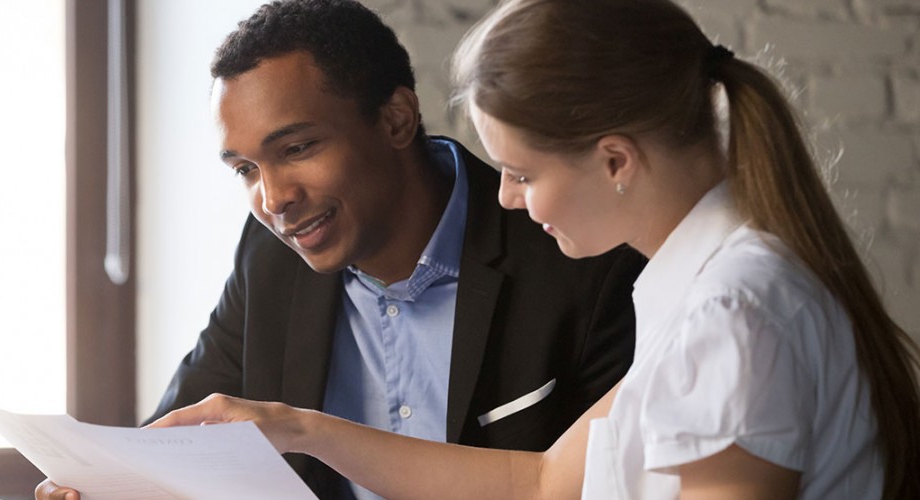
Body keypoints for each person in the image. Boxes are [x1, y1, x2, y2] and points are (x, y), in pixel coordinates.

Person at [149, 0, 920, 498]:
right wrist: (299, 427)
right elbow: (546, 481)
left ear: (615, 161)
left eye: (521, 172)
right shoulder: (700, 290)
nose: (507, 197)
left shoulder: (734, 311)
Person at [36, 0, 644, 499]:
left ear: (397, 120)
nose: (273, 199)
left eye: (297, 148)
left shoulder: (581, 258)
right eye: (246, 168)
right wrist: (109, 484)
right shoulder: (272, 254)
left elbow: (609, 485)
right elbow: (180, 440)